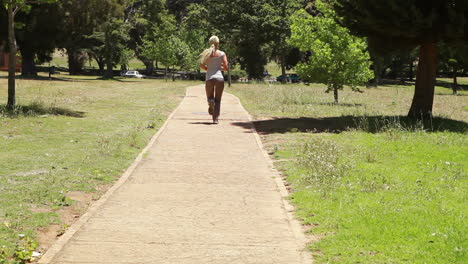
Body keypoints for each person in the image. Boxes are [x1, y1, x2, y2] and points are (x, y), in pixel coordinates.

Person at [199, 36, 229, 124]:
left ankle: (210, 102)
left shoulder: (206, 53)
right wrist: (219, 68)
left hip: (209, 78)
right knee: (218, 100)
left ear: (209, 43)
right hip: (219, 78)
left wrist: (208, 69)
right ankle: (215, 119)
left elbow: (201, 65)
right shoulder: (222, 53)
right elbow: (226, 67)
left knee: (210, 96)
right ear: (218, 43)